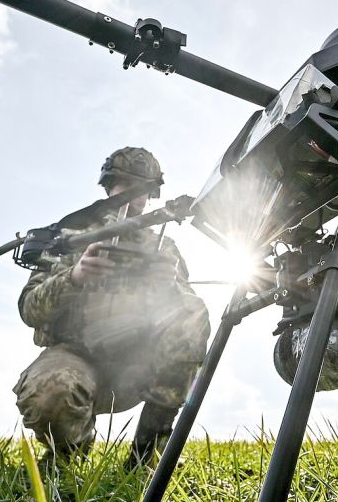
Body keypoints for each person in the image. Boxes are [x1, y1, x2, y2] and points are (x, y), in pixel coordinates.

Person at [12, 147, 210, 467]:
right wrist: (74, 277)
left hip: (136, 367)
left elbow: (190, 318)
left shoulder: (164, 248)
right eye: (125, 185)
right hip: (76, 358)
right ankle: (68, 455)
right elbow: (29, 309)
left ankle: (148, 454)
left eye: (143, 189)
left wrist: (166, 286)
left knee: (193, 312)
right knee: (50, 393)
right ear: (109, 186)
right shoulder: (70, 239)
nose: (134, 196)